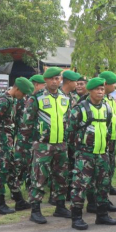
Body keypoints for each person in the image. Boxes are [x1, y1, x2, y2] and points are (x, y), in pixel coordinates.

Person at [20, 67, 72, 223]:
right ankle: (35, 210)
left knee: (61, 177)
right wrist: (26, 144)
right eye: (52, 79)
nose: (55, 81)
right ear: (46, 80)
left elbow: (68, 119)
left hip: (61, 144)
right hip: (42, 145)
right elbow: (27, 123)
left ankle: (60, 206)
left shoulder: (65, 98)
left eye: (58, 78)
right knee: (39, 177)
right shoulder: (36, 98)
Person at [67, 77, 116, 230]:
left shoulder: (107, 108)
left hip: (102, 154)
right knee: (80, 186)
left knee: (103, 185)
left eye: (102, 89)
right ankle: (76, 217)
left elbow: (109, 129)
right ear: (90, 90)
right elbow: (70, 132)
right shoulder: (80, 109)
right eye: (97, 89)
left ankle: (102, 215)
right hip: (85, 155)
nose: (100, 92)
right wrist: (79, 149)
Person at [0, 78, 33, 214]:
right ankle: (0, 204)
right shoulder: (4, 101)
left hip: (7, 142)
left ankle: (18, 200)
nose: (23, 97)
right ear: (17, 89)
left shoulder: (12, 100)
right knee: (1, 172)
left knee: (11, 170)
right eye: (23, 93)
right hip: (0, 142)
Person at [98, 71, 116, 196]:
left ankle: (109, 185)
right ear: (106, 84)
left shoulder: (111, 99)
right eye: (113, 84)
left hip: (112, 137)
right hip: (103, 138)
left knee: (111, 164)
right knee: (104, 167)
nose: (115, 87)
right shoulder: (99, 99)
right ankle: (102, 191)